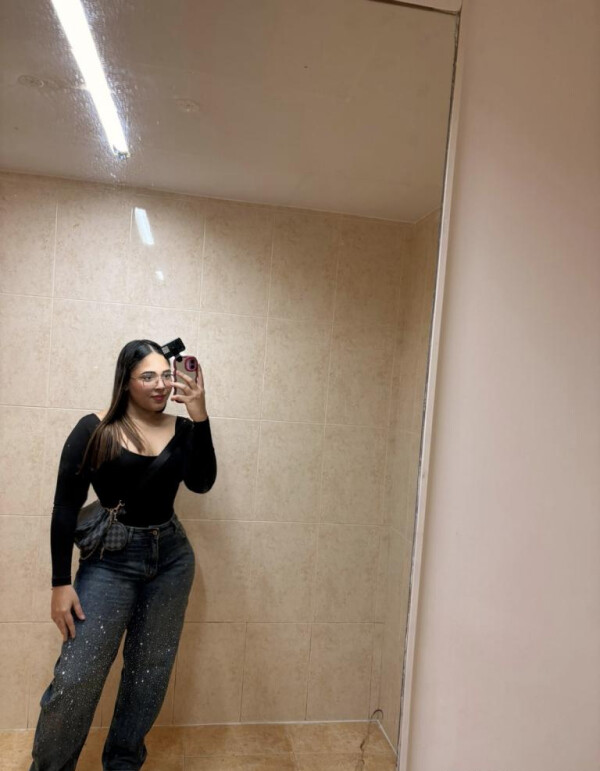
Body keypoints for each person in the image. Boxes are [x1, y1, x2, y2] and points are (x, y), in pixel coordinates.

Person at [29, 339, 217, 771]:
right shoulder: (93, 430)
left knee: (148, 675)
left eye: (165, 375)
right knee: (77, 676)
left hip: (171, 560)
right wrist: (60, 583)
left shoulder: (184, 430)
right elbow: (65, 507)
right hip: (110, 563)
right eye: (147, 376)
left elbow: (202, 482)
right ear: (126, 381)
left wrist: (200, 414)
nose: (160, 385)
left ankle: (123, 762)